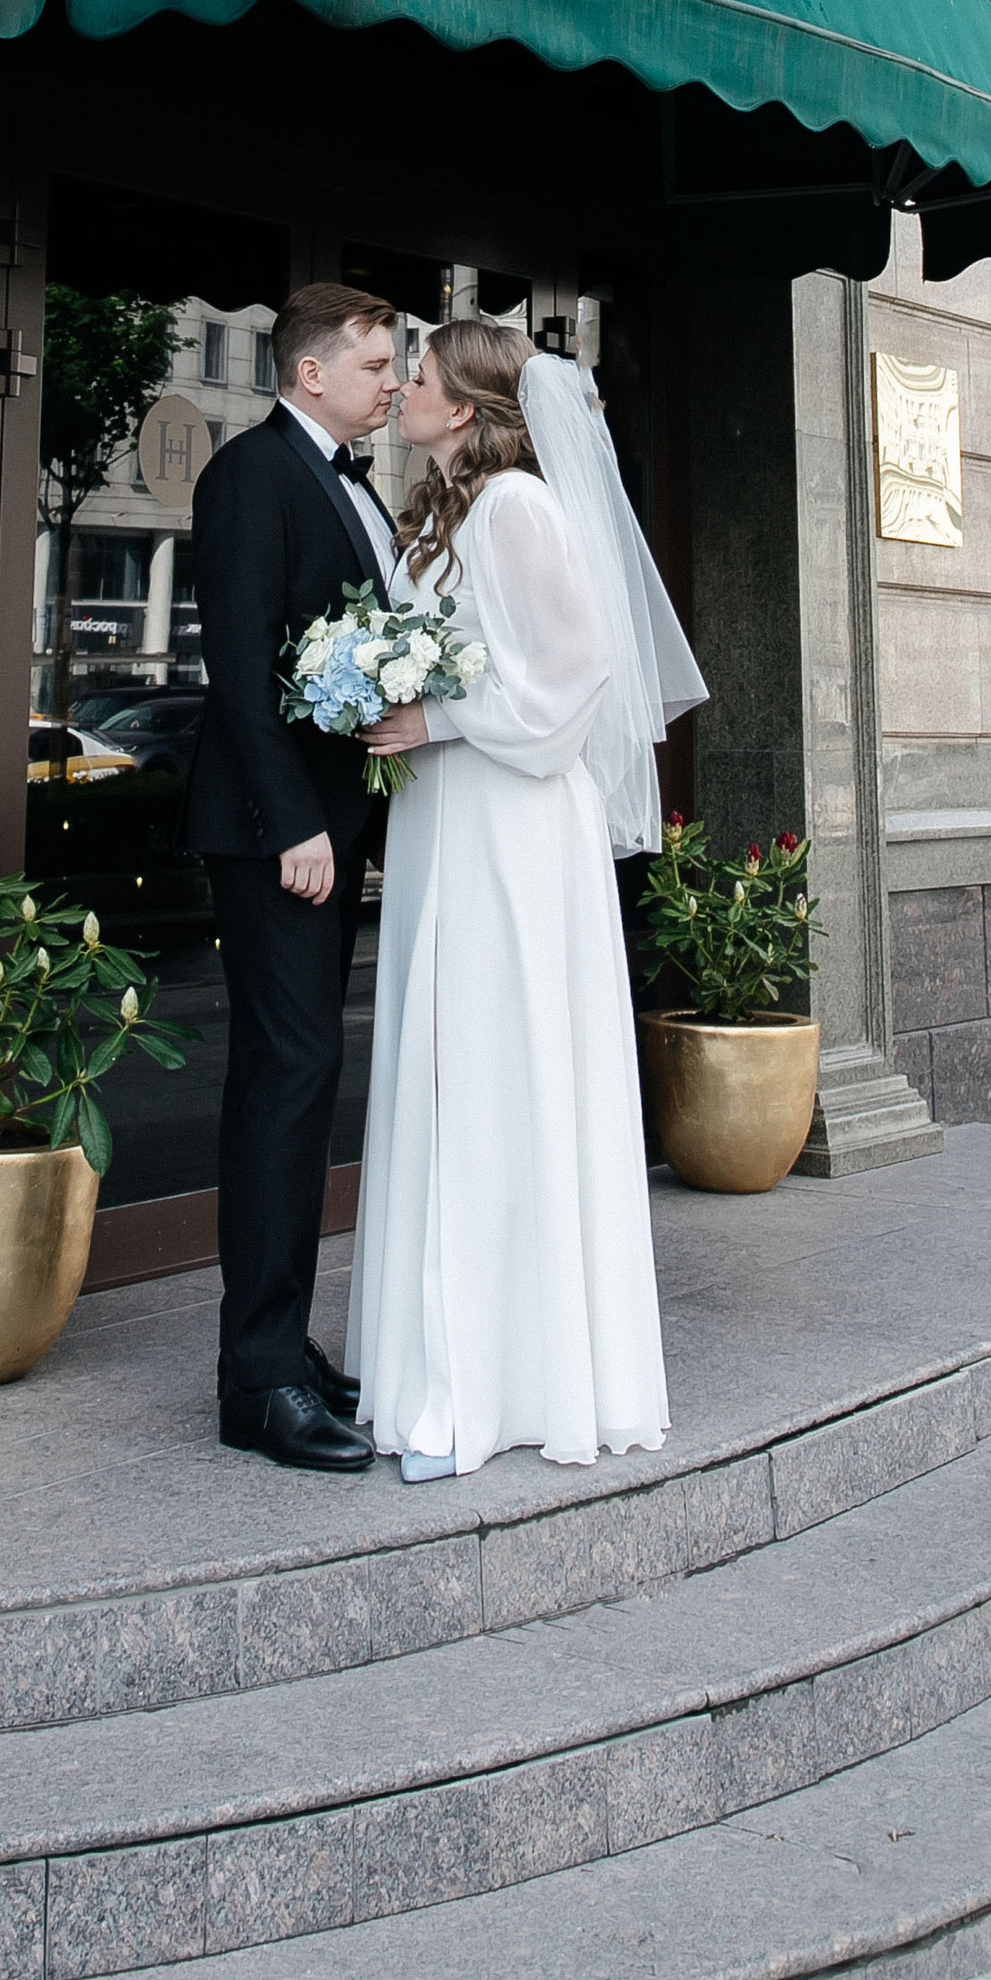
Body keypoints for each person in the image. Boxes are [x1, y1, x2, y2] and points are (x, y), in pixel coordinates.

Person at [351, 322, 706, 1481]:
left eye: (420, 376)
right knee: (451, 1069)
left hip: (506, 824)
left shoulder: (516, 509)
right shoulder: (435, 517)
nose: (401, 387)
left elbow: (576, 671)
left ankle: (512, 1373)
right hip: (445, 816)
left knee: (498, 1069)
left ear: (465, 408)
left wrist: (433, 718)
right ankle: (448, 1362)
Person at [185, 283, 404, 1472]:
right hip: (277, 835)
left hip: (328, 822)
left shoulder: (347, 480)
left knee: (305, 1079)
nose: (389, 382)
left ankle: (283, 1347)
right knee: (287, 1078)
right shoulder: (249, 475)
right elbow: (235, 661)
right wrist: (291, 827)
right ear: (310, 372)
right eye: (374, 364)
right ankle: (256, 1381)